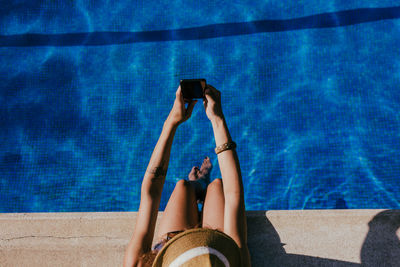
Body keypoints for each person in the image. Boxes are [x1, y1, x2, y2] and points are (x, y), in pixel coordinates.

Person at [123, 84, 251, 267]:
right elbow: (233, 195)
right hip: (215, 247)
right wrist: (217, 120)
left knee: (183, 186)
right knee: (217, 186)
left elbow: (151, 193)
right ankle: (203, 185)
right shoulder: (233, 262)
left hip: (177, 242)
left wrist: (172, 122)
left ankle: (197, 184)